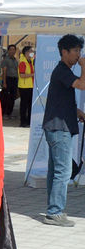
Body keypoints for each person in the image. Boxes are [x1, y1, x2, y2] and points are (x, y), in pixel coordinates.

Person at [42, 35, 85, 227]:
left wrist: (76, 111)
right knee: (63, 171)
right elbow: (82, 85)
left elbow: (59, 101)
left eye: (79, 51)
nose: (78, 55)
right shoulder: (62, 70)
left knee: (55, 171)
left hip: (56, 127)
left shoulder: (62, 72)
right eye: (75, 51)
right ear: (64, 52)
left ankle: (53, 209)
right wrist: (84, 66)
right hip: (59, 129)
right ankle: (54, 212)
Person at [0, 44, 19, 119]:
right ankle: (4, 113)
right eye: (11, 49)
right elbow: (4, 71)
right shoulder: (6, 60)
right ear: (8, 51)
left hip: (15, 80)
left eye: (14, 50)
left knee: (12, 97)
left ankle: (9, 113)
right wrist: (4, 82)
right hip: (8, 79)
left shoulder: (16, 60)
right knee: (6, 97)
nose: (12, 51)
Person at [18, 46, 34, 127]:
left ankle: (28, 120)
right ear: (26, 52)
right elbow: (22, 75)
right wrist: (32, 74)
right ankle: (22, 121)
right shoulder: (23, 62)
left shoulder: (30, 61)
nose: (32, 52)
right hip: (24, 87)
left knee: (30, 104)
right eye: (31, 51)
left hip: (30, 86)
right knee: (24, 105)